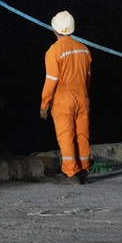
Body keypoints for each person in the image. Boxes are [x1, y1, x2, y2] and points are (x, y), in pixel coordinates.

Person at [40, 10, 92, 184]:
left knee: (66, 135)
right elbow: (88, 77)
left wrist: (45, 102)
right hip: (82, 98)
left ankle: (71, 173)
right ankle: (83, 169)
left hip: (63, 99)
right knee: (82, 135)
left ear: (54, 30)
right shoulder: (84, 49)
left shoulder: (54, 51)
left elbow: (52, 79)